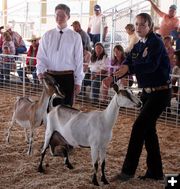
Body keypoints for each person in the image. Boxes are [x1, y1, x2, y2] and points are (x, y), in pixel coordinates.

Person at [111, 13, 171, 181]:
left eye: (142, 25)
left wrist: (129, 69)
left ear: (150, 26)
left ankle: (127, 171)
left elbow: (151, 65)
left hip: (160, 92)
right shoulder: (138, 44)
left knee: (138, 128)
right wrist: (114, 76)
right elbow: (128, 61)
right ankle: (155, 172)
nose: (138, 28)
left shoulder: (156, 42)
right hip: (147, 92)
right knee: (148, 131)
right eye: (136, 24)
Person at [36, 4, 84, 107]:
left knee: (66, 109)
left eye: (62, 15)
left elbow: (79, 60)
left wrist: (78, 81)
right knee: (49, 109)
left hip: (68, 77)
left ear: (68, 17)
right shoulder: (47, 35)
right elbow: (41, 56)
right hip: (50, 77)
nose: (59, 18)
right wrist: (40, 72)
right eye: (57, 15)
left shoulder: (75, 37)